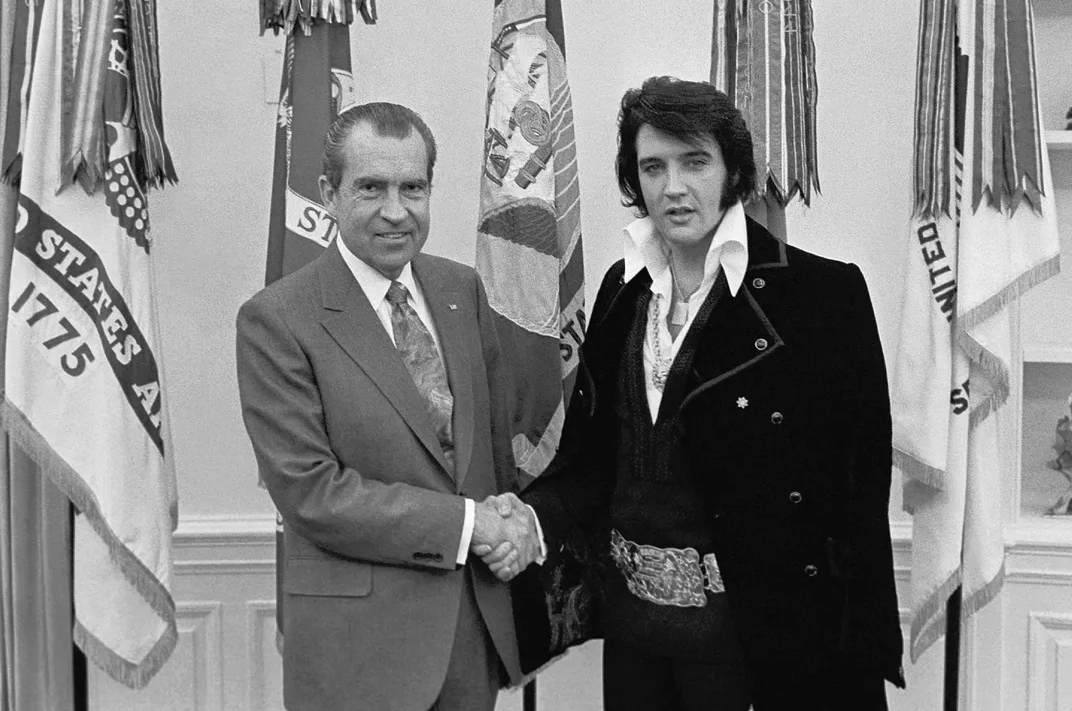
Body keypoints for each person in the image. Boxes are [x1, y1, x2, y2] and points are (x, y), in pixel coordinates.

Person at [490, 76, 905, 710]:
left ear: (733, 171)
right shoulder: (620, 291)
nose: (673, 187)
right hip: (634, 638)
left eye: (694, 162)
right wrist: (528, 517)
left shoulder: (823, 299)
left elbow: (855, 495)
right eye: (652, 167)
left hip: (756, 642)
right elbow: (593, 461)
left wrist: (847, 654)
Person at [236, 101, 540, 711]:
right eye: (371, 188)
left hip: (468, 636)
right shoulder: (277, 319)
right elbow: (310, 493)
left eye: (413, 188)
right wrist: (468, 525)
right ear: (329, 192)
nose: (395, 211)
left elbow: (490, 453)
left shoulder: (461, 291)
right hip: (356, 655)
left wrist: (514, 521)